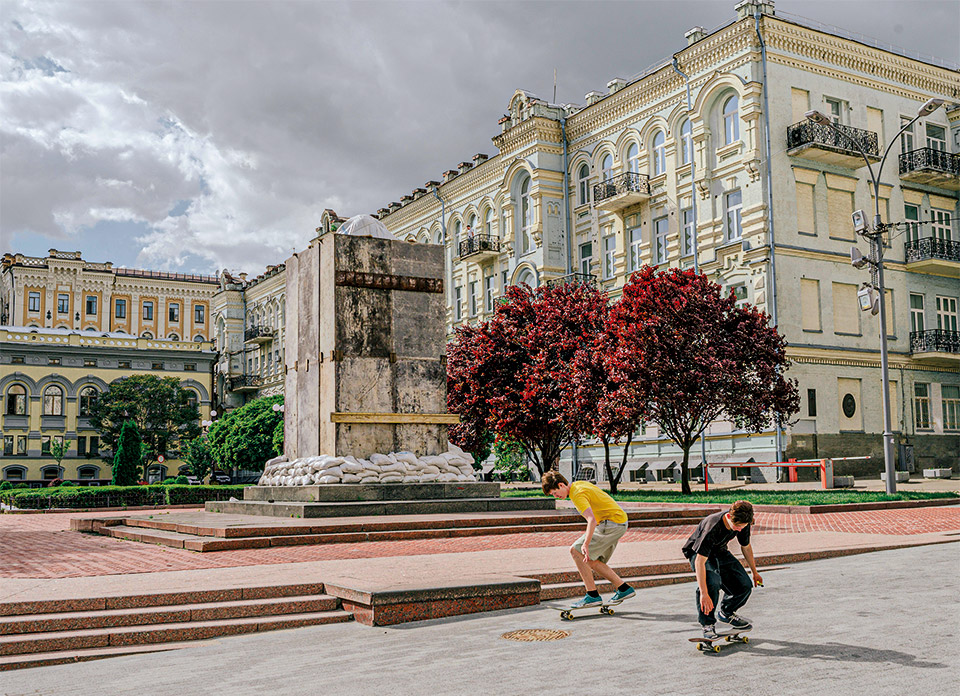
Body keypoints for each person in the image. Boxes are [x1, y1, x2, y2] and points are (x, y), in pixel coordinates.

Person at [542, 470, 635, 609]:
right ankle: (623, 588)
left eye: (555, 493)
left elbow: (591, 519)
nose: (556, 496)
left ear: (561, 485)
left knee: (575, 550)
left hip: (610, 523)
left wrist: (585, 544)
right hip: (617, 521)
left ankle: (592, 595)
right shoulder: (579, 485)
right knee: (591, 560)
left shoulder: (576, 494)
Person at [681, 500, 762, 640]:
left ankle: (727, 612)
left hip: (720, 551)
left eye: (742, 527)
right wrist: (704, 593)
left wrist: (754, 572)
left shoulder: (743, 522)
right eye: (737, 526)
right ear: (729, 517)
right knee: (712, 582)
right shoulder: (712, 527)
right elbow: (700, 561)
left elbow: (746, 547)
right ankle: (707, 624)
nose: (739, 530)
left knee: (744, 585)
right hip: (698, 553)